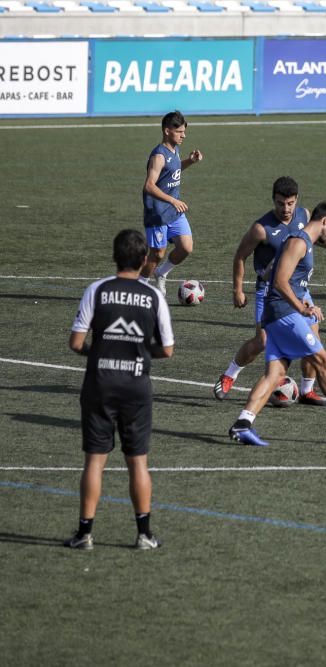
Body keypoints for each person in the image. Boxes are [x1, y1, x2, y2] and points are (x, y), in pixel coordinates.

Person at [228, 201, 326, 446]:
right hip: (284, 313)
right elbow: (280, 282)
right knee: (323, 360)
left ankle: (242, 424)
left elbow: (272, 274)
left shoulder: (303, 242)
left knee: (274, 374)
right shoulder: (298, 242)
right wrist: (303, 308)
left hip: (277, 314)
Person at [65, 229, 175, 550]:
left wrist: (101, 351)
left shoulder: (96, 290)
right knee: (137, 461)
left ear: (114, 256)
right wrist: (139, 351)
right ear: (144, 261)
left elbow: (76, 342)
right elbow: (167, 349)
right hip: (136, 386)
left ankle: (85, 534)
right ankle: (144, 534)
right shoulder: (153, 296)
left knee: (94, 462)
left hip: (99, 384)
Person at [213, 177, 326, 407]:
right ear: (273, 200)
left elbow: (309, 238)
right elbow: (240, 256)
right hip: (268, 290)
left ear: (296, 200)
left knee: (313, 336)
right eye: (280, 203)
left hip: (299, 288)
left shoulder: (304, 215)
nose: (285, 209)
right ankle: (230, 374)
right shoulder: (261, 229)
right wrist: (237, 290)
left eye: (290, 203)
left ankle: (307, 390)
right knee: (263, 340)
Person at [141, 110, 204, 295]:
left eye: (184, 132)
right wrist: (172, 200)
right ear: (167, 131)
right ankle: (139, 286)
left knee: (186, 247)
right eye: (180, 132)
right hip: (157, 212)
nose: (184, 135)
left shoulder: (175, 149)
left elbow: (173, 170)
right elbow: (149, 186)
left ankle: (161, 273)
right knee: (157, 254)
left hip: (173, 211)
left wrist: (190, 161)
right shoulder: (158, 156)